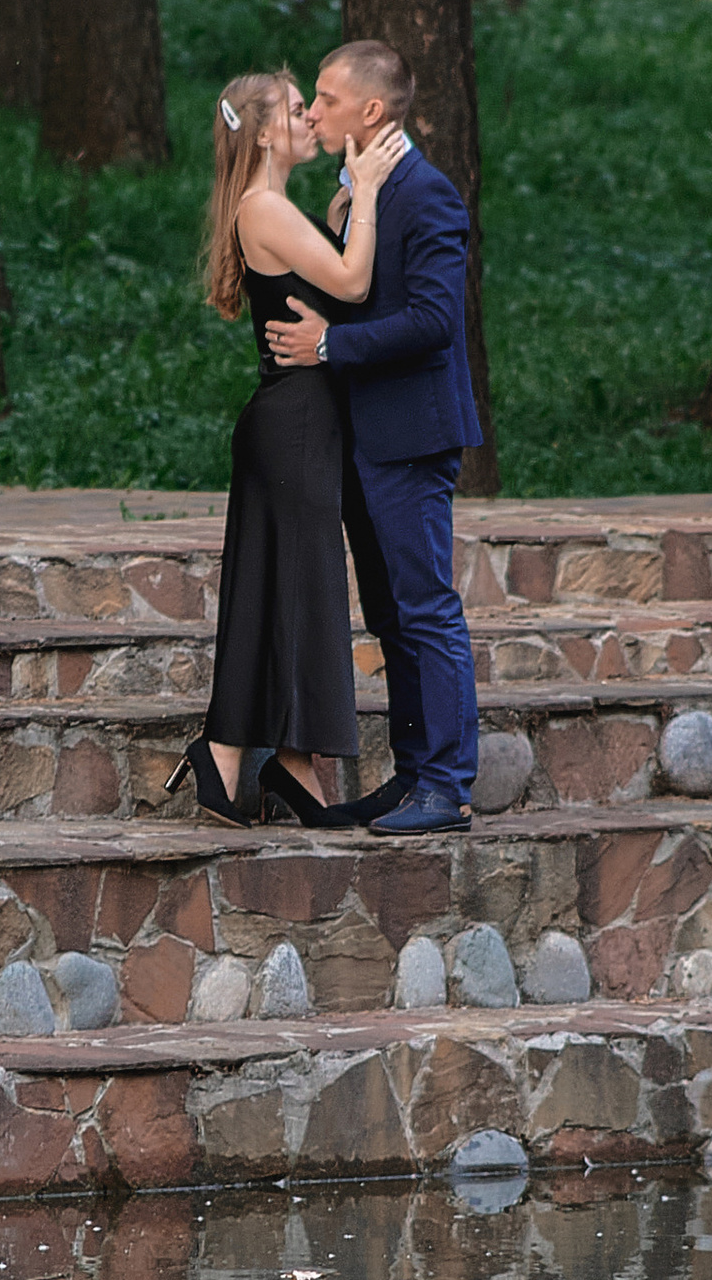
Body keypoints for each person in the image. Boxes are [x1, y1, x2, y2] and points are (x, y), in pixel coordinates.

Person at [172, 70, 405, 826]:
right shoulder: (264, 207)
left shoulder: (271, 206)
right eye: (298, 110)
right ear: (266, 133)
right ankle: (273, 762)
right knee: (302, 590)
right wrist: (366, 189)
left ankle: (244, 759)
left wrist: (343, 204)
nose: (310, 119)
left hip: (296, 420)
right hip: (295, 422)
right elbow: (354, 277)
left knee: (277, 591)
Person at [265, 43, 482, 836]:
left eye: (325, 99)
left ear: (372, 112)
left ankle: (449, 786)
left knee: (425, 610)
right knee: (391, 619)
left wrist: (330, 346)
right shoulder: (360, 189)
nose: (312, 112)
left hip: (411, 438)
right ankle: (414, 773)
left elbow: (433, 323)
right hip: (359, 438)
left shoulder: (427, 197)